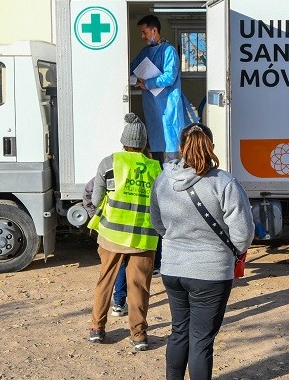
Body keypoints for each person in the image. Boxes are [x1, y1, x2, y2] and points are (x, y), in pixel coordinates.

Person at [150, 123, 255, 380]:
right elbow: (243, 231)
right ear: (211, 147)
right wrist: (233, 252)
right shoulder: (225, 182)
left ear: (181, 147)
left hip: (173, 268)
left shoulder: (163, 180)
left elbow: (157, 222)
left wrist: (177, 242)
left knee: (179, 332)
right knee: (201, 340)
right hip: (211, 273)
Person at [86, 113, 161, 351]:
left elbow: (97, 199)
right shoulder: (156, 168)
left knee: (105, 281)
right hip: (144, 237)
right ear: (144, 143)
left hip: (111, 235)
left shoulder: (109, 163)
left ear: (124, 140)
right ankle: (139, 336)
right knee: (139, 286)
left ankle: (97, 329)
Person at [130, 14, 187, 164]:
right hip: (153, 109)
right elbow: (132, 68)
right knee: (156, 153)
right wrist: (134, 79)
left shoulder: (169, 51)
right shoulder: (145, 52)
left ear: (154, 30)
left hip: (168, 107)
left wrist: (147, 83)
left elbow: (170, 77)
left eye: (144, 32)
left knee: (171, 150)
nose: (142, 36)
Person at [84, 178, 128, 317]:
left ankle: (116, 306)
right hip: (131, 229)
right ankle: (119, 303)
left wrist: (95, 216)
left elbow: (89, 193)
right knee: (125, 268)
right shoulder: (137, 168)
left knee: (111, 270)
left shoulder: (109, 168)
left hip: (109, 230)